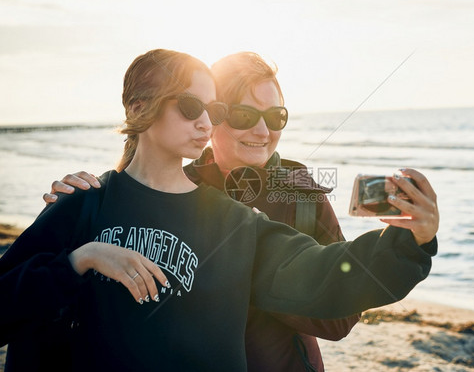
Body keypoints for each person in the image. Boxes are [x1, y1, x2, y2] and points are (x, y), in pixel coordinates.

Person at [1, 47, 437, 372]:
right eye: (193, 107)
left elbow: (327, 278)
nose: (206, 122)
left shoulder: (236, 222)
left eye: (212, 110)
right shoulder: (84, 203)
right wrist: (81, 259)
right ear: (138, 107)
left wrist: (408, 241)